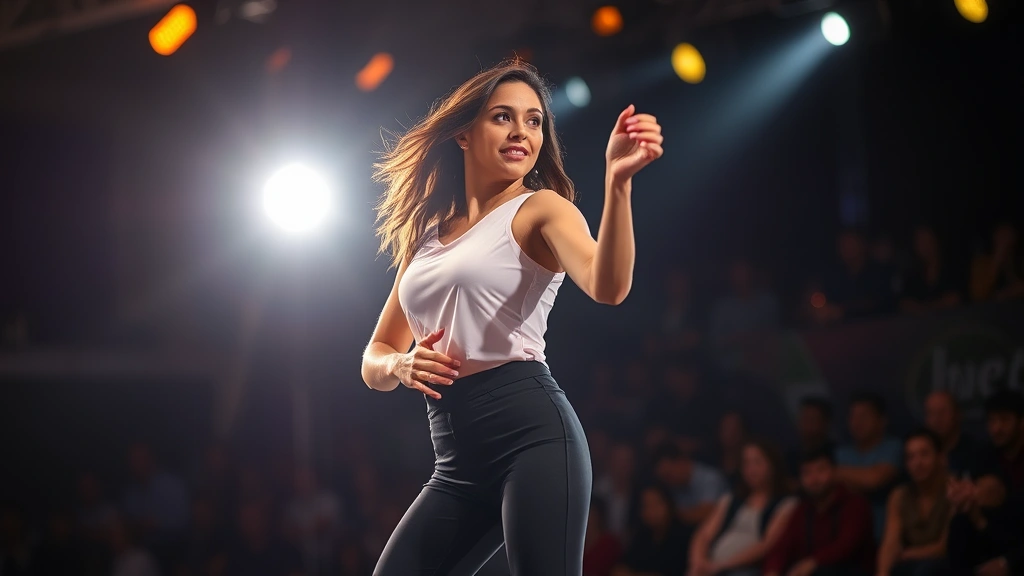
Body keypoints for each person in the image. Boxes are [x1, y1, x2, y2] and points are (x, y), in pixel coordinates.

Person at [360, 60, 664, 575]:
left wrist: (618, 184)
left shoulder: (542, 208)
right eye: (503, 117)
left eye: (534, 120)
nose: (521, 132)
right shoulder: (428, 236)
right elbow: (375, 359)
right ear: (463, 131)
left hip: (534, 437)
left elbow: (608, 286)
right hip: (455, 461)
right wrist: (400, 367)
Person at [688, 440, 796, 576]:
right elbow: (704, 534)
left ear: (773, 465)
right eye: (746, 463)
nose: (751, 469)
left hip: (749, 569)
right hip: (713, 566)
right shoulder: (731, 499)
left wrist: (721, 566)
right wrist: (698, 562)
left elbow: (767, 545)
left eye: (757, 462)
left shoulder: (786, 503)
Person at [763, 446, 875, 576]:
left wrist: (814, 562)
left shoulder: (855, 503)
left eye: (821, 470)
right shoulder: (802, 510)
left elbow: (846, 545)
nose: (814, 479)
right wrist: (772, 571)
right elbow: (783, 547)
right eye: (807, 473)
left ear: (834, 471)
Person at [876, 429, 952, 576]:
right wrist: (882, 573)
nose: (917, 463)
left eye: (924, 454)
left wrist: (907, 554)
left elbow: (945, 547)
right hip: (912, 565)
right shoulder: (900, 495)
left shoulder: (954, 490)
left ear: (941, 457)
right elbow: (890, 542)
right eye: (910, 457)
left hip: (946, 565)